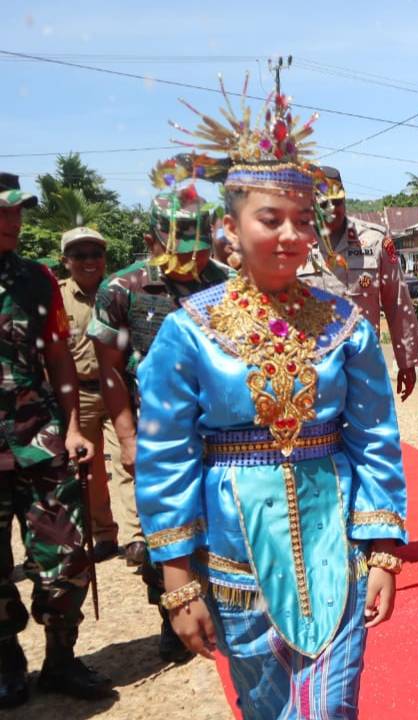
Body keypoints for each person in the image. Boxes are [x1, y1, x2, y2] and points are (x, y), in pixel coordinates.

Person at [135, 83, 407, 718]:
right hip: (235, 547)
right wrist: (178, 578)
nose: (291, 235)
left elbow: (374, 439)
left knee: (333, 707)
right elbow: (165, 454)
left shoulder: (347, 325)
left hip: (332, 536)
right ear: (228, 227)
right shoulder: (189, 330)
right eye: (270, 219)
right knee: (266, 708)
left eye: (304, 220)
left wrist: (386, 549)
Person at [89, 185, 232, 663]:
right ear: (152, 240)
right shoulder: (122, 290)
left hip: (219, 431)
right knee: (165, 525)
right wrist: (127, 437)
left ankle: (222, 604)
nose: (191, 261)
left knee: (218, 521)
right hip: (156, 432)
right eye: (179, 249)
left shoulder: (227, 282)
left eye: (198, 248)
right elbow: (108, 368)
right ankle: (169, 612)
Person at [0, 172, 114, 707]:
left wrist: (71, 426)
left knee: (65, 558)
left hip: (40, 439)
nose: (14, 220)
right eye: (4, 211)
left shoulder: (36, 279)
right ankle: (6, 664)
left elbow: (57, 358)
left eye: (18, 210)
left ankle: (61, 660)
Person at [297, 166, 418, 400]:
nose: (332, 210)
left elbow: (397, 303)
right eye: (324, 203)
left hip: (363, 368)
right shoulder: (294, 244)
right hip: (311, 371)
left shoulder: (374, 240)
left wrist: (406, 359)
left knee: (370, 434)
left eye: (338, 201)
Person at [59, 227, 125, 562]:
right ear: (65, 261)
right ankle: (104, 535)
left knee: (130, 461)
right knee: (91, 471)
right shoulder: (56, 297)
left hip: (119, 388)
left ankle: (138, 537)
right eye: (80, 255)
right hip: (80, 395)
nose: (89, 261)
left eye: (95, 254)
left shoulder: (120, 292)